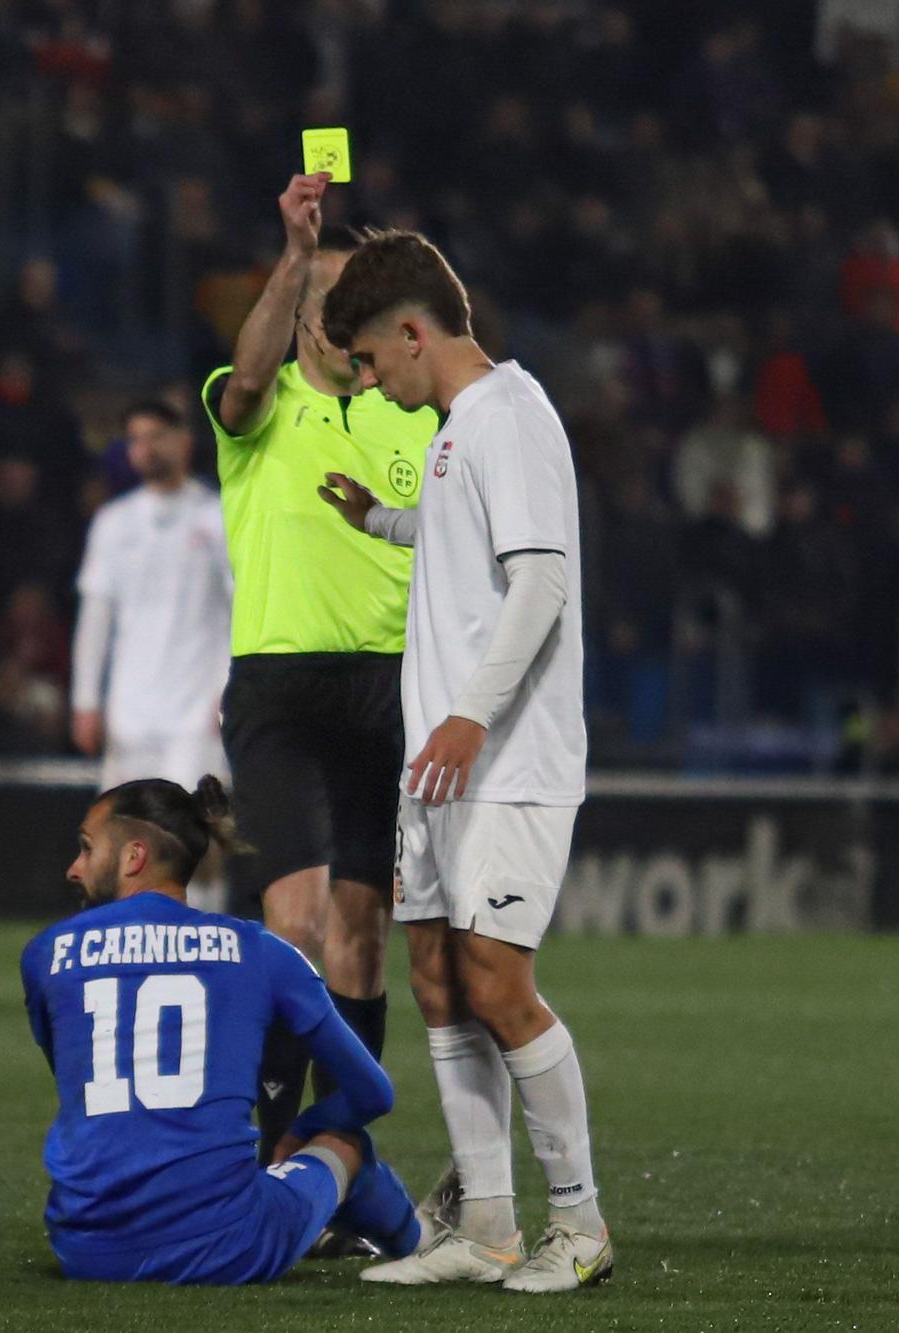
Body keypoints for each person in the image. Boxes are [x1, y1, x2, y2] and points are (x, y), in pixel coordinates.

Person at [318, 229, 610, 1292]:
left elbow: (539, 582)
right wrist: (380, 517)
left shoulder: (511, 415)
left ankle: (577, 1225)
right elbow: (460, 544)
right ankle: (485, 1226)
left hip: (502, 756)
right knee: (438, 978)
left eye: (364, 359)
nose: (363, 378)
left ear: (409, 332)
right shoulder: (456, 433)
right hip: (441, 764)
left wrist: (470, 719)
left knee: (496, 980)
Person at [201, 174, 436, 1166]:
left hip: (387, 687)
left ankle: (334, 1161)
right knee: (288, 926)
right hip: (278, 687)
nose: (335, 320)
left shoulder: (415, 420)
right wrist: (291, 251)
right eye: (318, 297)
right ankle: (255, 1162)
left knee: (360, 935)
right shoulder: (252, 408)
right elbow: (246, 381)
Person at [20, 777, 423, 1283]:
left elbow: (76, 1082)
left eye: (85, 848)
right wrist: (298, 1132)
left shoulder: (45, 954)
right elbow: (372, 1093)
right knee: (346, 1144)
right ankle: (424, 1245)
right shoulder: (262, 951)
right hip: (229, 1248)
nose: (73, 867)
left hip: (87, 1252)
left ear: (133, 857)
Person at [70, 402, 234, 910]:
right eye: (136, 438)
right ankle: (126, 941)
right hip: (130, 711)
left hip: (195, 710)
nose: (146, 448)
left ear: (184, 441)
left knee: (193, 832)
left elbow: (244, 608)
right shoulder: (114, 524)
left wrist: (230, 688)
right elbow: (96, 617)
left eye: (156, 435)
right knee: (116, 836)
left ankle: (204, 935)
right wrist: (85, 701)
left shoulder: (217, 516)